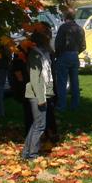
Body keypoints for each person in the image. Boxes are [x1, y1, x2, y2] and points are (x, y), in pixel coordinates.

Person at [21, 24, 55, 160]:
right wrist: (41, 98)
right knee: (40, 125)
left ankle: (26, 153)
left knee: (36, 124)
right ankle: (32, 155)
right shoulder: (36, 55)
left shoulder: (43, 54)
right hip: (37, 94)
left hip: (41, 92)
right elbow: (35, 79)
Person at [53, 9, 86, 110]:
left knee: (62, 82)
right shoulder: (80, 29)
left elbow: (58, 44)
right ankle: (75, 105)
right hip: (75, 55)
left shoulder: (63, 28)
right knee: (75, 82)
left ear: (65, 17)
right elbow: (83, 46)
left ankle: (62, 105)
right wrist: (76, 52)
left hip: (64, 55)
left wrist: (57, 55)